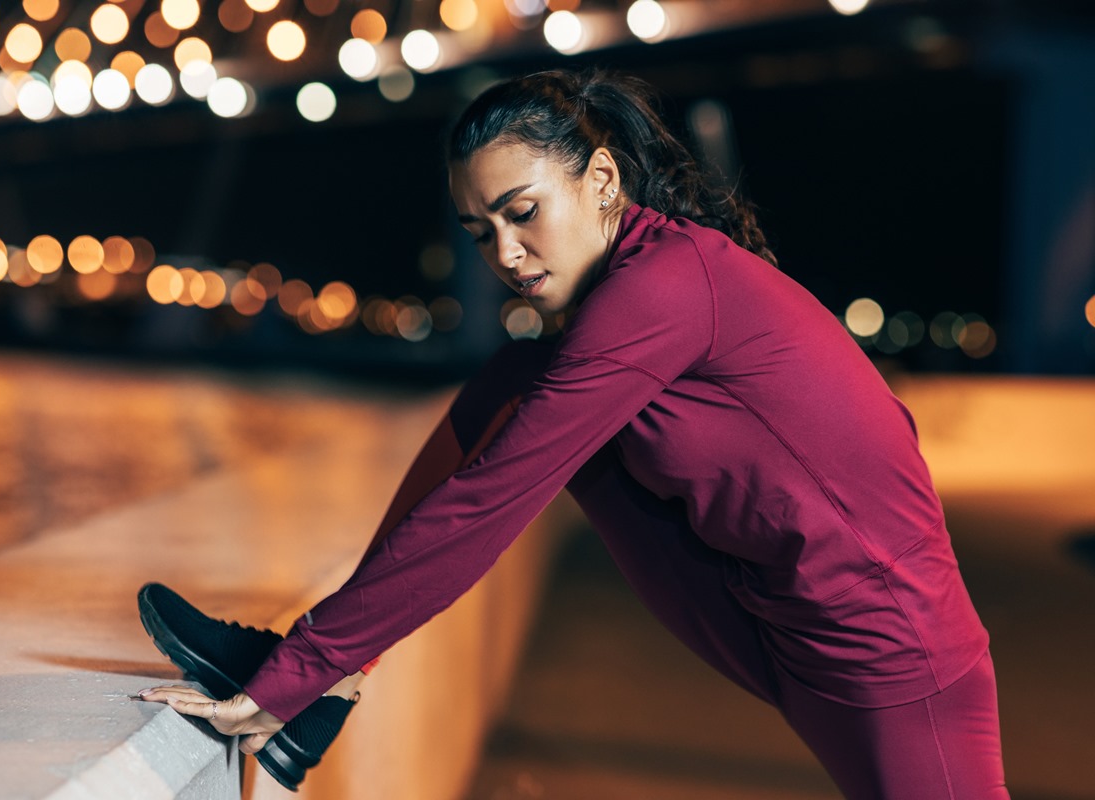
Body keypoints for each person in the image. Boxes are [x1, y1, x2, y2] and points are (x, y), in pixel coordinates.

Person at [139, 69, 1009, 798]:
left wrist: (301, 668)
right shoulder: (618, 298)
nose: (507, 254)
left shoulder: (663, 287)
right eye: (482, 232)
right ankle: (330, 679)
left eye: (523, 212)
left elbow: (490, 498)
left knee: (527, 423)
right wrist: (324, 661)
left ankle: (318, 671)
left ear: (601, 181)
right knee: (510, 388)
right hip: (785, 629)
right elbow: (478, 442)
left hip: (892, 657)